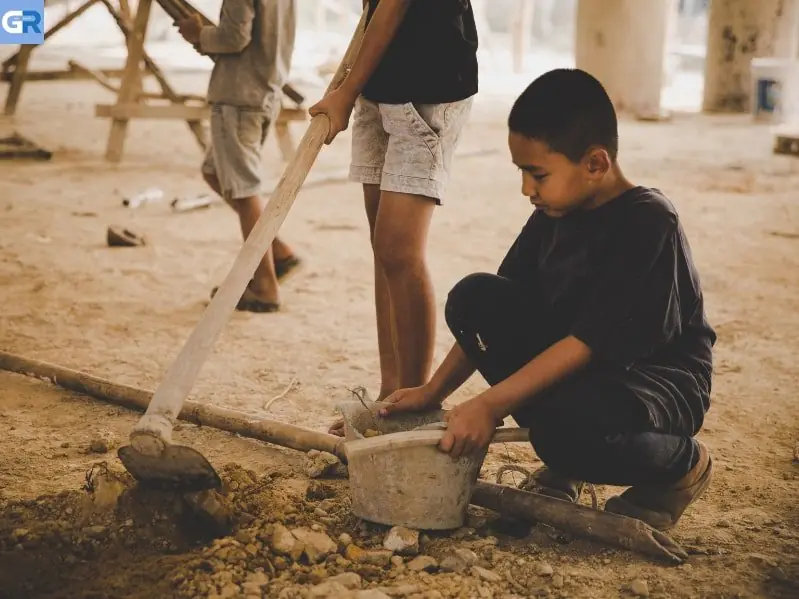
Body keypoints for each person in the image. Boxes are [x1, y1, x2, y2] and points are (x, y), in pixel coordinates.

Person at [380, 69, 716, 531]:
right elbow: (491, 318)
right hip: (585, 370)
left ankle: (682, 466)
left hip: (653, 382)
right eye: (522, 172)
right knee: (473, 298)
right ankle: (567, 457)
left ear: (595, 164)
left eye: (537, 173)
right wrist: (433, 392)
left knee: (561, 433)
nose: (526, 189)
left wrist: (489, 405)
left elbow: (588, 342)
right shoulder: (555, 211)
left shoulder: (648, 222)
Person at [309, 0, 478, 434]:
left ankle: (413, 401)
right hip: (379, 80)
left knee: (398, 250)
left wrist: (344, 94)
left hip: (428, 86)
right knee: (383, 249)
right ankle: (391, 396)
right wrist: (354, 87)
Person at [177, 0, 302, 313]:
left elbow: (234, 38)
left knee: (244, 192)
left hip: (238, 96)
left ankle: (264, 286)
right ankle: (277, 251)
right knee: (214, 173)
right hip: (262, 91)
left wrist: (199, 34)